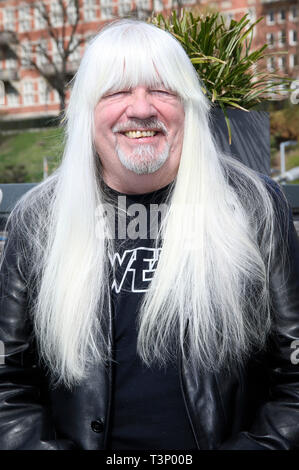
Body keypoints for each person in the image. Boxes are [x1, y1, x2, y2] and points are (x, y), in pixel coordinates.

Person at [1, 19, 299, 451]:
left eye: (162, 90)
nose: (141, 109)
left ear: (189, 106)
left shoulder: (254, 206)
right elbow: (8, 377)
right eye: (118, 91)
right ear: (86, 111)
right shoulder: (38, 220)